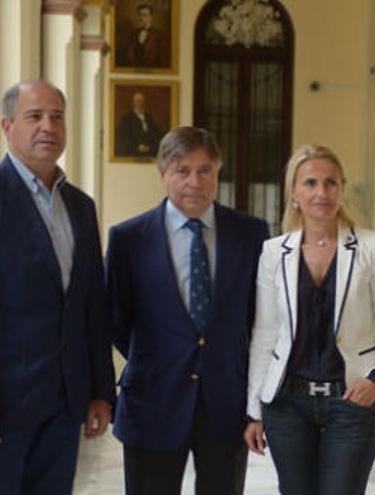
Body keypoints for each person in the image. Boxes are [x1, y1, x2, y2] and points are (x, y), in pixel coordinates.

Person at [0, 80, 115, 495]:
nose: (47, 127)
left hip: (65, 407)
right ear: (7, 126)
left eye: (56, 116)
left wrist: (100, 391)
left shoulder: (80, 207)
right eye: (34, 117)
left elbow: (91, 307)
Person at [106, 126, 269, 495]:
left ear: (218, 173)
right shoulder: (129, 239)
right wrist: (160, 358)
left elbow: (259, 318)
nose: (195, 181)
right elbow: (116, 319)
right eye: (182, 171)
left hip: (226, 402)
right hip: (153, 399)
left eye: (205, 170)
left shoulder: (251, 234)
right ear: (163, 175)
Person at [244, 144, 375, 495]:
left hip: (350, 400)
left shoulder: (370, 248)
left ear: (342, 189)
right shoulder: (274, 252)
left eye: (331, 182)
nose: (322, 192)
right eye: (311, 183)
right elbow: (265, 334)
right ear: (294, 193)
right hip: (287, 404)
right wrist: (254, 410)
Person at [117, 91, 162, 157]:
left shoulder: (149, 119)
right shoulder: (127, 119)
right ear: (133, 103)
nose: (140, 104)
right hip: (132, 155)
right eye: (137, 101)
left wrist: (149, 147)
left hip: (149, 155)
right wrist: (137, 147)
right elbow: (124, 139)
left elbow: (156, 137)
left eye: (141, 101)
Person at [122, 3, 167, 68]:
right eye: (140, 15)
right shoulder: (133, 33)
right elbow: (129, 54)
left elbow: (162, 58)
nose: (142, 18)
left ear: (151, 17)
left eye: (145, 15)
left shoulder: (159, 35)